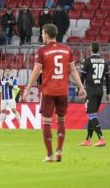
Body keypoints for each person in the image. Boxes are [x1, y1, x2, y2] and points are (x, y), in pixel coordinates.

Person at [23, 23, 86, 162]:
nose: (41, 36)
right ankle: (59, 150)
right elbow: (74, 70)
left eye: (42, 33)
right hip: (63, 90)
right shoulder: (66, 49)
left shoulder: (42, 50)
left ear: (46, 34)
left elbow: (36, 71)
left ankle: (50, 154)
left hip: (49, 90)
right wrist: (81, 87)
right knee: (61, 120)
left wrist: (27, 89)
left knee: (46, 121)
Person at [79, 42, 110, 147]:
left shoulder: (87, 61)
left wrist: (80, 89)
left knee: (91, 115)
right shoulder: (104, 62)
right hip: (100, 91)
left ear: (90, 49)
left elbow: (82, 77)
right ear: (99, 49)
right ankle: (88, 139)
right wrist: (108, 93)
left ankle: (101, 138)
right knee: (91, 115)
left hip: (91, 91)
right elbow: (108, 78)